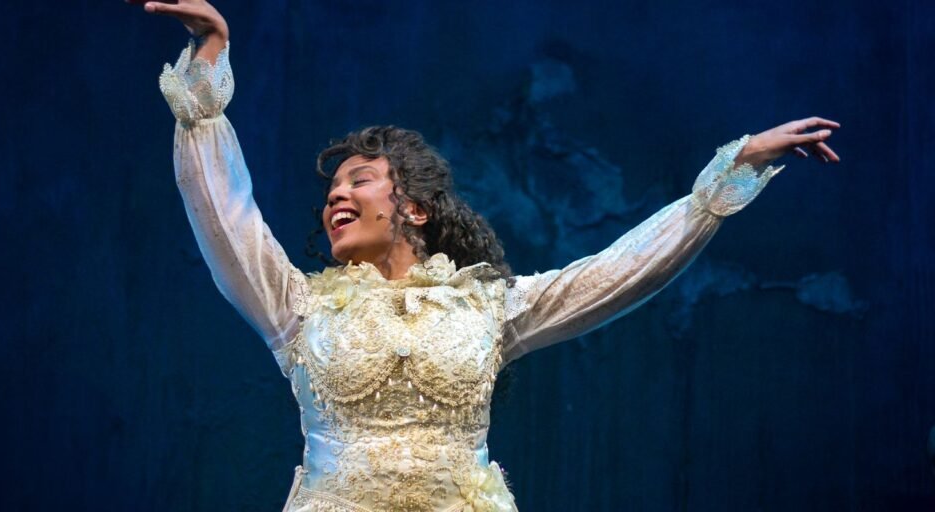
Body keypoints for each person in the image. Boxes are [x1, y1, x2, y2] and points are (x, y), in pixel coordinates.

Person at [129, 1, 842, 510]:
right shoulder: (297, 307)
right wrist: (210, 60)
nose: (336, 197)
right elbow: (225, 215)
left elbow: (618, 273)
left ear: (413, 208)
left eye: (359, 180)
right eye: (331, 190)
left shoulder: (488, 308)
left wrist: (727, 176)